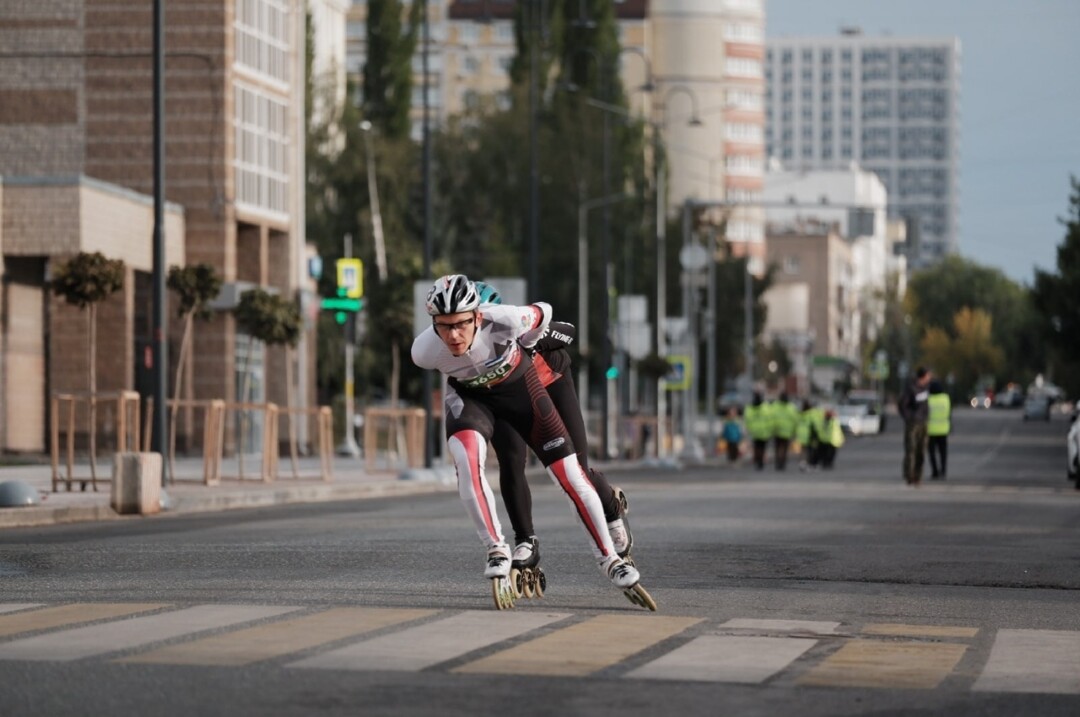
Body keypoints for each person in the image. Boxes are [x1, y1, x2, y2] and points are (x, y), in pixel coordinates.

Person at [410, 275, 649, 608]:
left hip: (543, 383)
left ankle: (611, 527)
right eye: (444, 326)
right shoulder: (424, 351)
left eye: (462, 323)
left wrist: (532, 339)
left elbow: (558, 323)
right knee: (502, 460)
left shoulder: (508, 321)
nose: (453, 334)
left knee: (574, 470)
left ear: (481, 315)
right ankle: (515, 543)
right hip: (480, 398)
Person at [471, 282, 634, 578]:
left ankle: (611, 507)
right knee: (511, 462)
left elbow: (568, 330)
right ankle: (525, 540)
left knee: (576, 471)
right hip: (507, 396)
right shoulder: (466, 342)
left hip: (551, 385)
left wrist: (532, 342)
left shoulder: (516, 324)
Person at [898, 366, 932, 485]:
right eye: (928, 375)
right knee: (911, 449)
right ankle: (909, 475)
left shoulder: (925, 388)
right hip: (913, 423)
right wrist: (909, 417)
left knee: (921, 450)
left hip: (923, 423)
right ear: (923, 376)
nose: (930, 378)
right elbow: (902, 405)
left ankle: (918, 476)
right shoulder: (911, 388)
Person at [927, 380, 952, 479]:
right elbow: (949, 412)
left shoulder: (929, 399)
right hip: (943, 429)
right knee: (943, 452)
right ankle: (943, 471)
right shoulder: (945, 398)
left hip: (931, 430)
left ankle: (935, 471)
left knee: (932, 453)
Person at [770, 392, 800, 470]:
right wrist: (795, 431)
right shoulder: (791, 407)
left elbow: (770, 418)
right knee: (784, 448)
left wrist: (771, 429)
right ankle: (782, 463)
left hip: (777, 430)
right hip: (787, 431)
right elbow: (795, 420)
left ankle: (778, 462)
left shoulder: (775, 406)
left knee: (777, 448)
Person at [743, 392, 773, 470]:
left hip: (754, 432)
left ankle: (757, 460)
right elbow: (770, 419)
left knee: (756, 447)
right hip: (764, 431)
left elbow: (747, 420)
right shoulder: (765, 407)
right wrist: (770, 429)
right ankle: (760, 462)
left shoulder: (749, 408)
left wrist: (749, 429)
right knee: (762, 447)